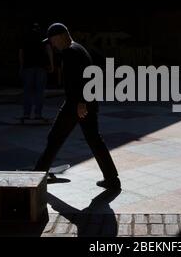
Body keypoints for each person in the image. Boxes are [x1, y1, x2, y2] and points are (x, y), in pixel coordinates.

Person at [34, 23, 120, 189]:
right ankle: (112, 179)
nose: (52, 44)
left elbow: (84, 78)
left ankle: (37, 176)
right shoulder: (77, 48)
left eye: (52, 40)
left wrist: (81, 102)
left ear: (60, 36)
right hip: (85, 102)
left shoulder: (71, 52)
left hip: (76, 104)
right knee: (94, 140)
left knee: (55, 138)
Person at [19, 23, 54, 120]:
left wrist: (21, 66)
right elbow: (49, 50)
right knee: (40, 91)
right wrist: (51, 64)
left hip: (28, 65)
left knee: (27, 91)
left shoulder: (25, 37)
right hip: (41, 66)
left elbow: (21, 52)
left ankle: (26, 113)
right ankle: (38, 113)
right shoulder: (43, 36)